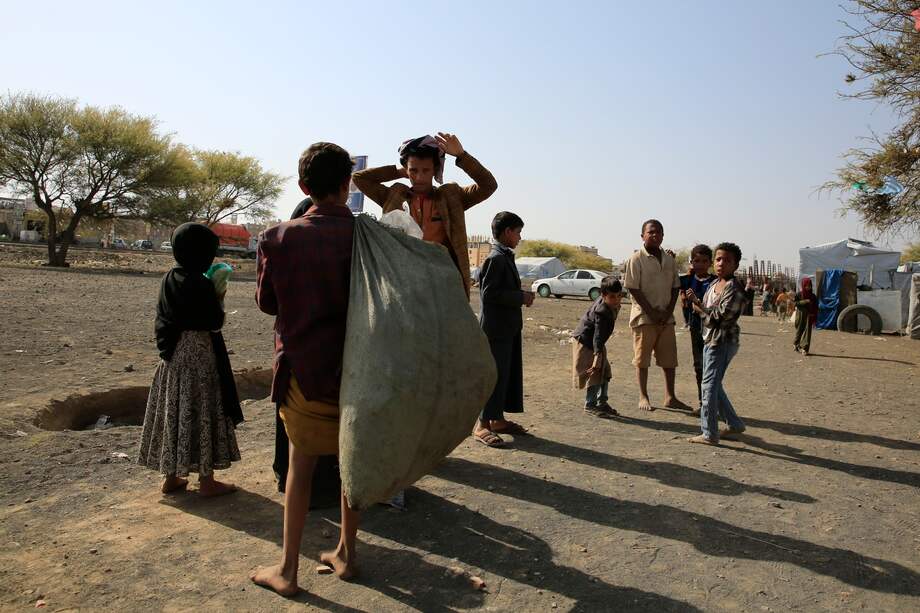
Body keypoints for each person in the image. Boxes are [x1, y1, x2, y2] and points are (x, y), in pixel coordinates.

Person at [251, 142, 360, 596]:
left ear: (302, 187)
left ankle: (288, 570)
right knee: (353, 463)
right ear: (348, 184)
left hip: (305, 371)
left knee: (301, 466)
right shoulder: (368, 237)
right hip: (360, 371)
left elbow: (267, 303)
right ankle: (347, 553)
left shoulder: (277, 238)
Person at [137, 222, 242, 496]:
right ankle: (207, 481)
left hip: (172, 357)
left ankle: (171, 477)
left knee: (177, 413)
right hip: (200, 357)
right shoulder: (201, 283)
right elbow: (214, 322)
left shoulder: (169, 278)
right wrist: (219, 296)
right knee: (203, 411)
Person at [352, 133, 497, 298]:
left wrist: (462, 156)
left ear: (435, 169)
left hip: (443, 287)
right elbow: (359, 178)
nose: (419, 177)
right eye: (413, 170)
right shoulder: (394, 196)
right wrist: (398, 172)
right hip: (402, 287)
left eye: (426, 170)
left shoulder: (451, 197)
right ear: (406, 170)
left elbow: (489, 185)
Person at [473, 211, 534, 447]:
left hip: (506, 328)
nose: (519, 237)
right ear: (507, 232)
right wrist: (521, 297)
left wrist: (520, 296)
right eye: (518, 232)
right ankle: (482, 425)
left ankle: (497, 420)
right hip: (495, 330)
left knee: (504, 375)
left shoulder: (504, 256)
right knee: (493, 377)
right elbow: (489, 294)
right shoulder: (496, 259)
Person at [622, 219, 693, 412]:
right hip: (644, 317)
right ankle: (643, 396)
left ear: (663, 235)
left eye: (659, 232)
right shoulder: (636, 259)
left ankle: (670, 397)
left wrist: (668, 312)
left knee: (669, 360)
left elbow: (675, 287)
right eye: (651, 232)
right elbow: (633, 288)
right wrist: (652, 312)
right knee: (642, 360)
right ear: (642, 236)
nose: (655, 235)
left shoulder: (669, 260)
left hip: (666, 319)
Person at [685, 242, 749, 445]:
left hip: (722, 341)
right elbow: (709, 309)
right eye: (719, 259)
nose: (721, 263)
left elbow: (718, 319)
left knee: (709, 387)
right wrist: (699, 305)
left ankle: (709, 433)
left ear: (735, 265)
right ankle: (734, 424)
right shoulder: (715, 283)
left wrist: (699, 308)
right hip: (710, 338)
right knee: (713, 384)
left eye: (727, 260)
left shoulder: (734, 289)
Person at [572, 276, 623, 418]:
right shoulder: (601, 311)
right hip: (586, 341)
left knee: (605, 371)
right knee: (595, 372)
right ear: (603, 295)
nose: (617, 300)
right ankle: (590, 404)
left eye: (619, 296)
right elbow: (597, 336)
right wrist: (596, 358)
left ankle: (602, 402)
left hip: (596, 343)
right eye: (612, 297)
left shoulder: (610, 304)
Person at [682, 245, 718, 415]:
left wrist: (698, 305)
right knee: (699, 366)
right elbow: (667, 278)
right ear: (692, 262)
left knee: (712, 367)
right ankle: (703, 403)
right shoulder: (687, 280)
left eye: (704, 261)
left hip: (714, 330)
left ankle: (713, 404)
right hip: (696, 329)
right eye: (696, 261)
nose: (700, 264)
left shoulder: (717, 281)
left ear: (710, 263)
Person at [793, 278, 818, 356]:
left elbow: (816, 306)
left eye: (809, 285)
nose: (808, 287)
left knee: (807, 333)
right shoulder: (799, 294)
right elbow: (795, 303)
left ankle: (805, 348)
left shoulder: (813, 296)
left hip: (809, 316)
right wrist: (804, 301)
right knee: (799, 330)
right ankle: (796, 344)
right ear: (803, 285)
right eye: (806, 285)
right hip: (800, 316)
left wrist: (814, 314)